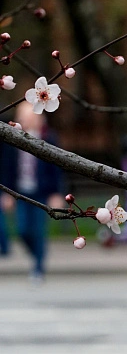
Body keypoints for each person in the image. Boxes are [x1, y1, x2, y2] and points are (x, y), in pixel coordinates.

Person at [0, 102, 63, 283]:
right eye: (23, 116)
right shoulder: (12, 140)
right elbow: (7, 168)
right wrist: (7, 193)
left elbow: (57, 168)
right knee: (22, 230)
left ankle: (38, 267)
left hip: (42, 192)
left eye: (30, 116)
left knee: (38, 231)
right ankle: (36, 255)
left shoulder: (48, 138)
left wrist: (56, 193)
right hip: (20, 192)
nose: (27, 120)